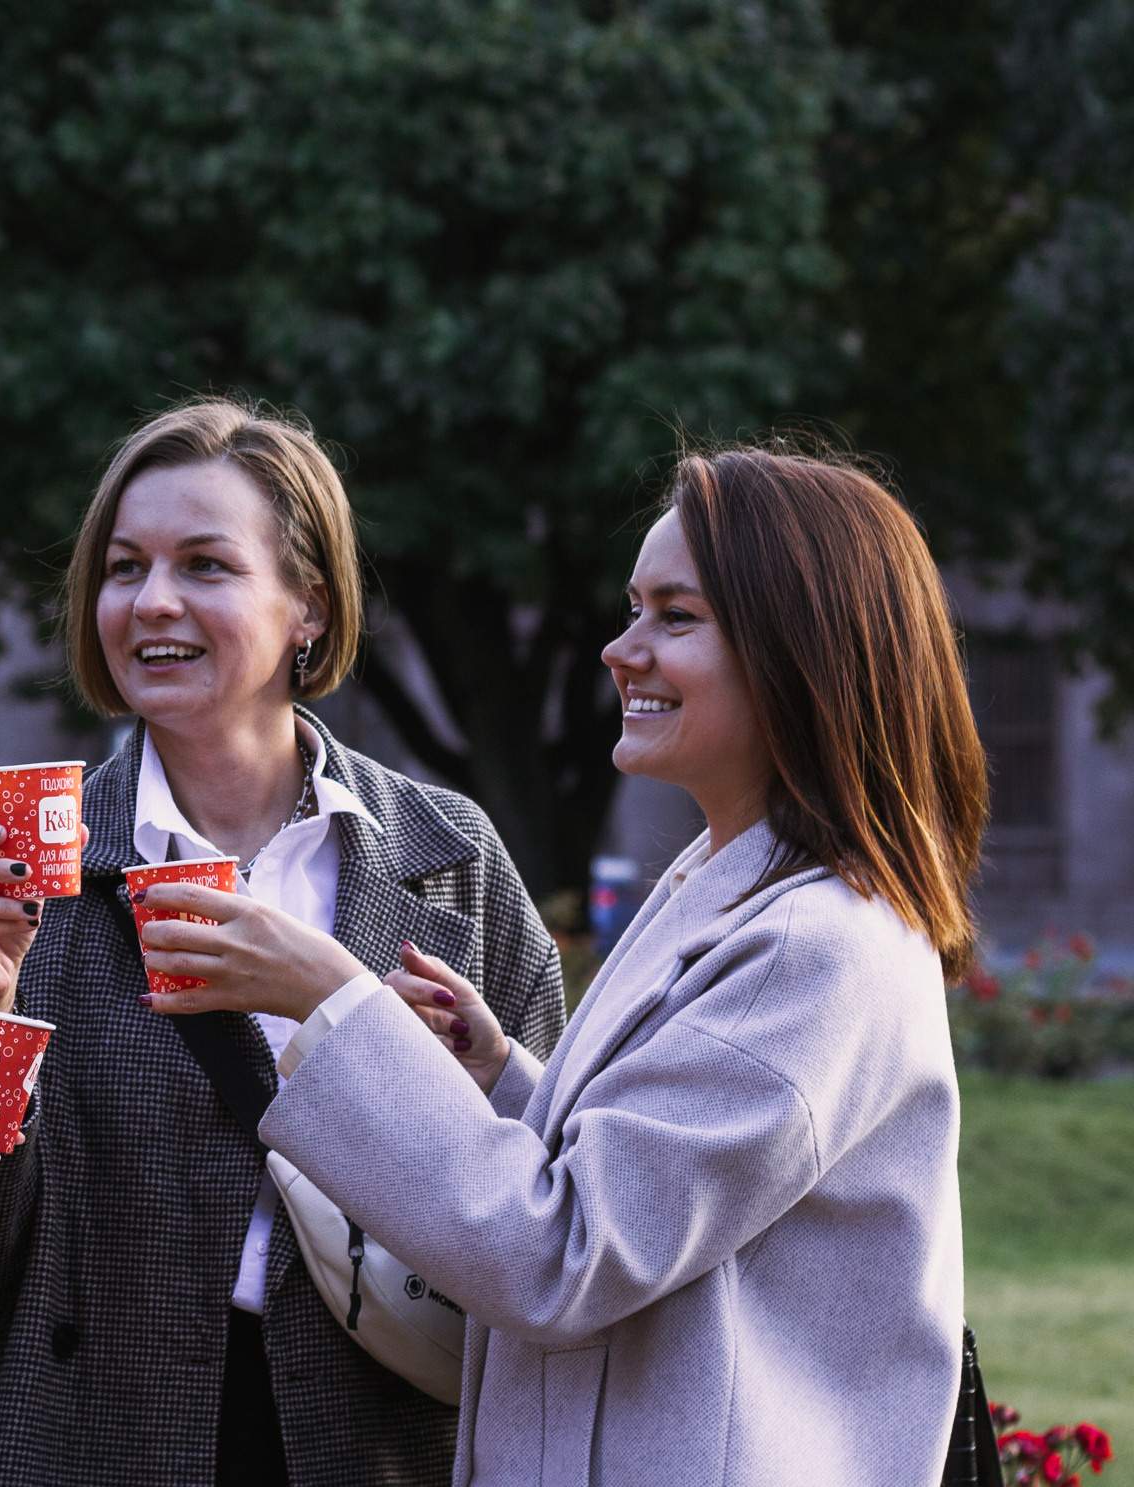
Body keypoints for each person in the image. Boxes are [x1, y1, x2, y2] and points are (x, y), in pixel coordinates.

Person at [172, 447, 984, 1484]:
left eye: (674, 617)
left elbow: (559, 1255)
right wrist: (502, 1075)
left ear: (802, 652)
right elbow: (649, 1191)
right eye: (632, 607)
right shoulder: (722, 880)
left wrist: (331, 1000)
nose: (619, 648)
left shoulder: (815, 945)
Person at [0, 398, 568, 1486]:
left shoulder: (448, 856)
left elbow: (549, 1203)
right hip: (93, 1439)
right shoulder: (26, 875)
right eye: (124, 567)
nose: (152, 600)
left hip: (377, 1435)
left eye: (206, 564)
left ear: (307, 603)